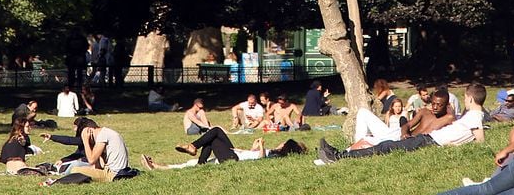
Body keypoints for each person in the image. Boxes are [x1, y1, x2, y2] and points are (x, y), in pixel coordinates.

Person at [318, 84, 485, 162]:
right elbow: (407, 123)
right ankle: (338, 154)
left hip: (425, 140)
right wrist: (405, 132)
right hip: (408, 136)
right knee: (369, 125)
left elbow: (480, 140)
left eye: (439, 104)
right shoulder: (425, 112)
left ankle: (338, 156)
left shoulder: (454, 118)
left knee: (382, 146)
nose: (434, 107)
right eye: (433, 103)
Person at [142, 131, 307, 169]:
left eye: (282, 143)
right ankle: (158, 166)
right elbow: (252, 156)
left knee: (215, 132)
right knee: (213, 136)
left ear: (286, 148)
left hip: (233, 158)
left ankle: (193, 147)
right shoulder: (273, 152)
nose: (280, 143)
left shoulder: (274, 156)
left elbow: (260, 160)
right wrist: (253, 147)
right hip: (236, 154)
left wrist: (262, 147)